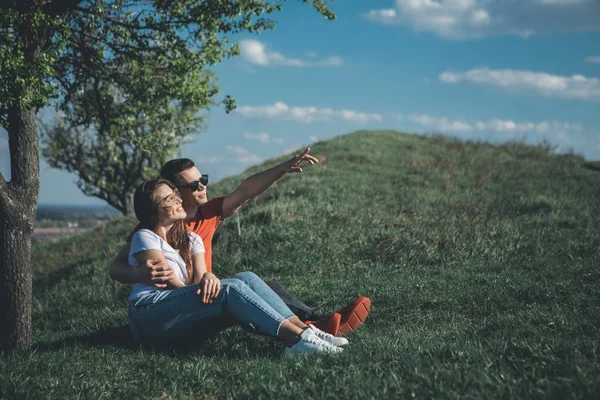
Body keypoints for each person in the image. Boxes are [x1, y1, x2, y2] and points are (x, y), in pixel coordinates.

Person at [110, 148, 370, 336]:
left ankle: (318, 324)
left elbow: (246, 190)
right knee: (241, 288)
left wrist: (281, 169)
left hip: (203, 286)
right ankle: (306, 333)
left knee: (263, 285)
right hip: (180, 300)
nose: (202, 186)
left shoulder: (209, 212)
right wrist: (138, 273)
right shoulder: (155, 228)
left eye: (204, 180)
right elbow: (116, 267)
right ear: (175, 193)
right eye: (195, 185)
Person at [127, 178, 348, 356]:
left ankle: (307, 332)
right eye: (168, 199)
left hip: (178, 314)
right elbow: (168, 283)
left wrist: (208, 279)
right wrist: (210, 287)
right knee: (229, 288)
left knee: (246, 277)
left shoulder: (191, 239)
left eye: (176, 194)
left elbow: (198, 287)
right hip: (149, 316)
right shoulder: (145, 236)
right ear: (153, 211)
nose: (178, 200)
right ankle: (296, 340)